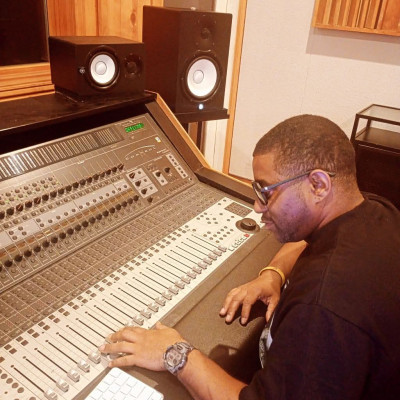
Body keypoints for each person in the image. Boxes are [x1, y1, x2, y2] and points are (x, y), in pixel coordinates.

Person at [99, 115, 400, 400]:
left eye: (266, 191)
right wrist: (273, 273)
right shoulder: (374, 212)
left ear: (318, 185)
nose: (257, 206)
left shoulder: (324, 308)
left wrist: (174, 353)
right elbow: (304, 242)